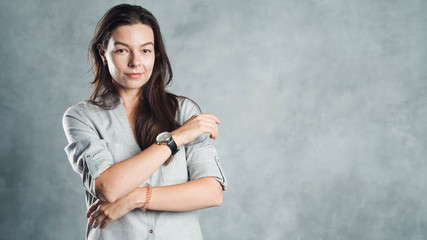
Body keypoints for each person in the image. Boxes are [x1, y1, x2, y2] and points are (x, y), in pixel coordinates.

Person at [62, 4, 227, 240]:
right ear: (102, 52)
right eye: (122, 50)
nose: (135, 62)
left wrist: (135, 198)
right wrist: (176, 138)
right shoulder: (81, 116)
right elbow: (108, 188)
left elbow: (212, 193)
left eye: (145, 51)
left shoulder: (184, 112)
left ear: (156, 53)